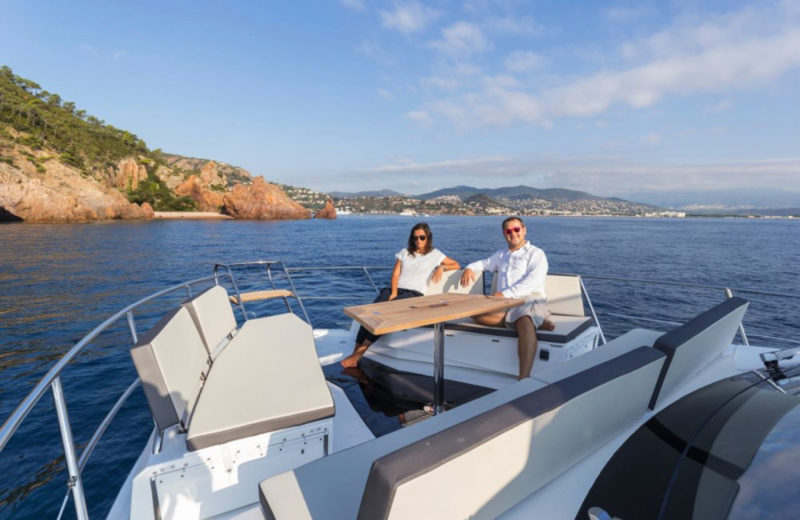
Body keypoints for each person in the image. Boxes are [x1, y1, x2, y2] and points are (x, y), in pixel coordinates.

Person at [341, 223, 460, 368]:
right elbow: (396, 273)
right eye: (415, 238)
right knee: (369, 313)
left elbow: (456, 265)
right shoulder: (405, 252)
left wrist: (441, 267)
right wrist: (394, 292)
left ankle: (361, 351)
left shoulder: (435, 254)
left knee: (385, 314)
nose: (418, 241)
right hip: (395, 290)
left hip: (414, 294)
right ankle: (354, 353)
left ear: (428, 238)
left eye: (422, 237)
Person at [460, 216, 554, 380]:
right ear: (504, 234)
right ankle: (539, 321)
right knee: (474, 312)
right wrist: (469, 268)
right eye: (508, 231)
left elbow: (532, 281)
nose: (513, 233)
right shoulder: (501, 255)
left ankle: (523, 377)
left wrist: (503, 294)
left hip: (529, 298)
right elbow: (483, 264)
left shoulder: (536, 254)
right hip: (504, 303)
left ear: (524, 230)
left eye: (516, 229)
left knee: (524, 319)